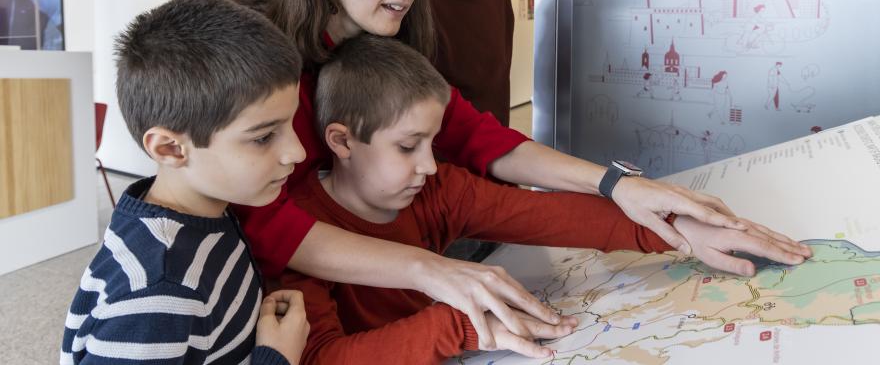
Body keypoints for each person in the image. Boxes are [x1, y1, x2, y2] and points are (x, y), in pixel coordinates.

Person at [215, 0, 752, 346]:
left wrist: (619, 186)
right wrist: (432, 271)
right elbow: (266, 222)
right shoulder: (253, 54)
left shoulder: (385, 44)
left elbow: (477, 136)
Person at [270, 35, 811, 364]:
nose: (431, 165)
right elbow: (321, 359)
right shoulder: (298, 242)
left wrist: (681, 230)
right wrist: (460, 322)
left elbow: (546, 216)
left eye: (434, 143)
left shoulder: (439, 189)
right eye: (408, 147)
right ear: (340, 141)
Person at [60, 0, 310, 364]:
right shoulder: (156, 293)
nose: (298, 151)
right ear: (171, 149)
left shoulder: (209, 209)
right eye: (263, 136)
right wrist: (277, 357)